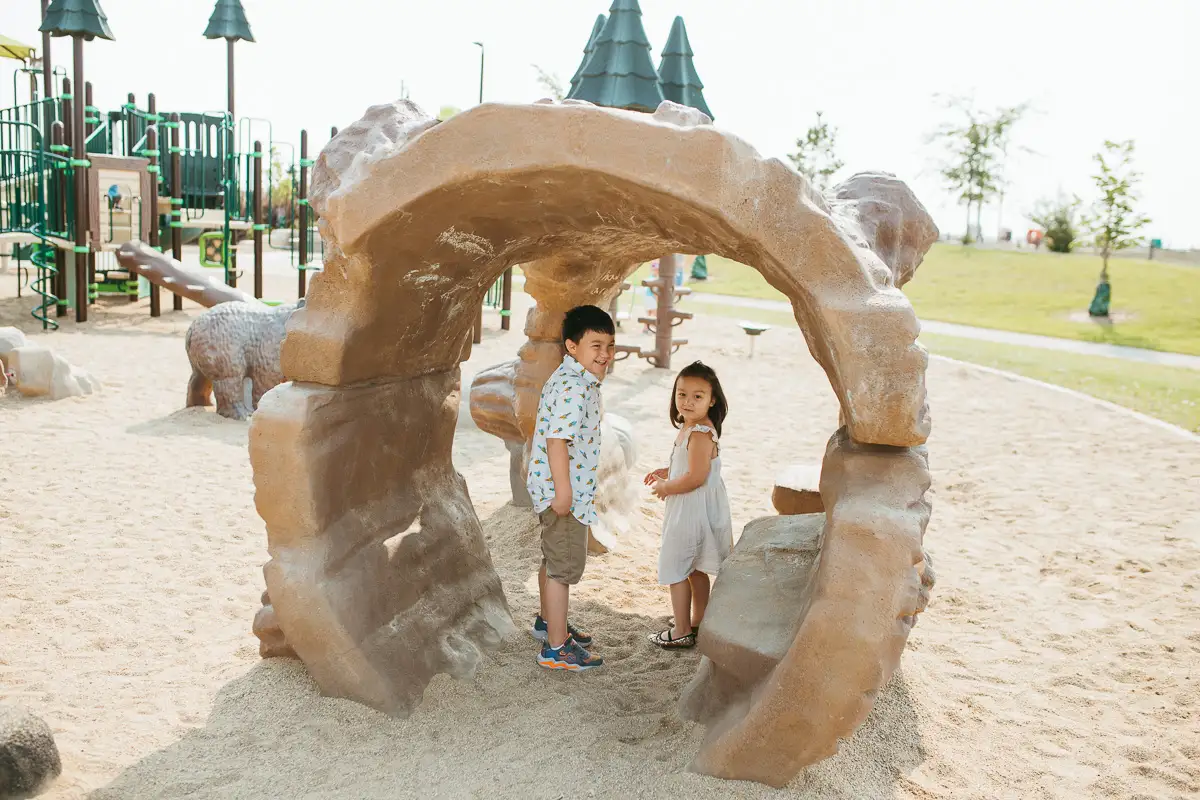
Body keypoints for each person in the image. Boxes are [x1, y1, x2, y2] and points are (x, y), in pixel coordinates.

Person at [526, 304, 616, 671]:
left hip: (556, 487)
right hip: (563, 491)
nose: (605, 354)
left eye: (610, 345)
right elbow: (557, 441)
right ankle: (555, 647)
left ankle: (549, 622)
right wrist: (564, 492)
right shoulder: (573, 388)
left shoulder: (573, 378)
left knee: (553, 558)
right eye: (596, 346)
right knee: (563, 568)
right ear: (572, 346)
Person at [644, 360, 733, 649]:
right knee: (695, 567)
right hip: (695, 508)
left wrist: (666, 487)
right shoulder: (690, 427)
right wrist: (668, 471)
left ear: (712, 400)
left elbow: (696, 476)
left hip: (691, 511)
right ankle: (699, 620)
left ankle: (681, 630)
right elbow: (689, 465)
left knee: (677, 566)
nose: (688, 402)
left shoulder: (700, 433)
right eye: (681, 394)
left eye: (697, 396)